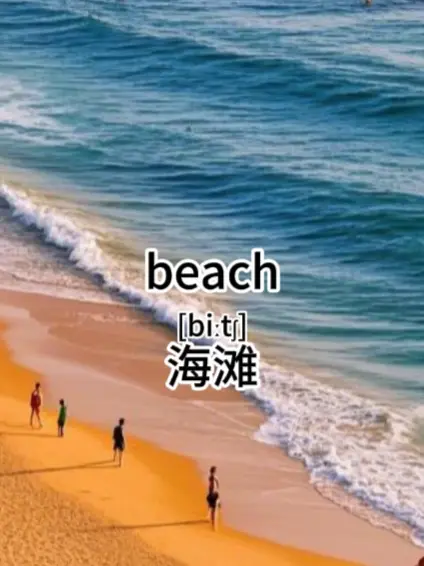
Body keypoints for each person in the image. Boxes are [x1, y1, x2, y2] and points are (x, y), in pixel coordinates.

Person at [206, 465, 220, 530]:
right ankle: (213, 525)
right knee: (214, 509)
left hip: (211, 494)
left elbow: (213, 486)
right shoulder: (214, 477)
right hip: (214, 494)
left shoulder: (210, 477)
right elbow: (217, 485)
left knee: (211, 508)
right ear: (214, 471)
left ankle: (212, 523)